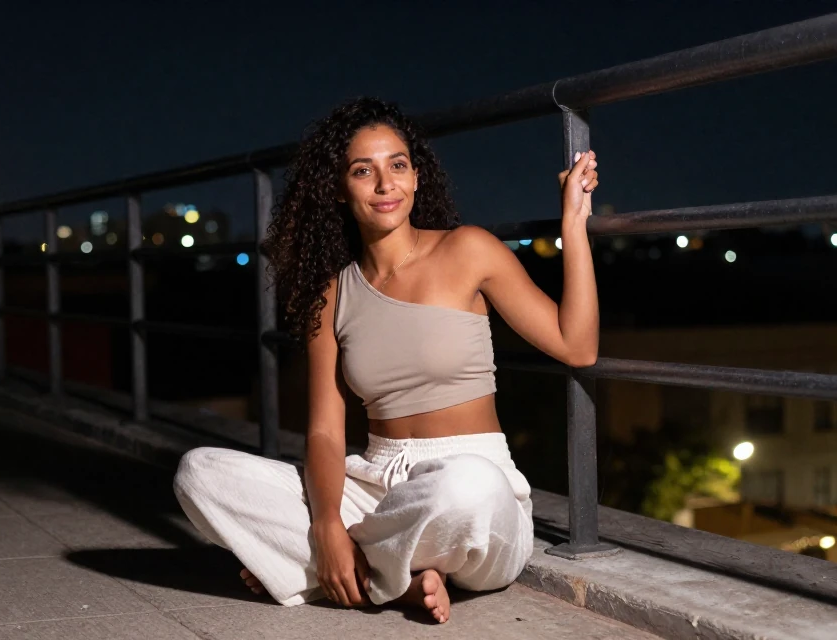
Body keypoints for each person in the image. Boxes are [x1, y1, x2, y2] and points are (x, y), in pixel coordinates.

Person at [174, 97, 599, 624]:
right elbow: (327, 434)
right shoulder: (331, 295)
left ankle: (331, 571)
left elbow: (576, 346)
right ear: (338, 189)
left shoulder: (469, 250)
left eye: (397, 165)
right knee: (200, 473)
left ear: (417, 178)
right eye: (362, 170)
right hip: (376, 486)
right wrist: (328, 522)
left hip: (473, 493)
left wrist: (573, 225)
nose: (384, 184)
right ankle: (392, 577)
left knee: (468, 487)